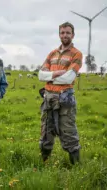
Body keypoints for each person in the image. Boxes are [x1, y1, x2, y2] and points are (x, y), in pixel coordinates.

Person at [38, 22, 82, 164]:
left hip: (65, 98)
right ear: (59, 34)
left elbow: (69, 77)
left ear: (73, 35)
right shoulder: (52, 53)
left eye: (68, 33)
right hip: (48, 97)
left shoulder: (77, 54)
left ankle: (76, 166)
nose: (65, 35)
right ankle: (44, 163)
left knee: (68, 131)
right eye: (62, 33)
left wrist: (49, 76)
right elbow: (40, 75)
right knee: (46, 132)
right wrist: (56, 74)